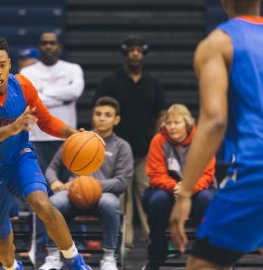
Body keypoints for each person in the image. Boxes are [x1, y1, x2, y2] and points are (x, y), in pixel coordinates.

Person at [0, 36, 92, 270]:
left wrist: (73, 133)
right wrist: (11, 128)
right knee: (3, 244)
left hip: (18, 158)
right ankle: (13, 267)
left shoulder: (22, 85)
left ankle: (75, 262)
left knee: (43, 204)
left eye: (2, 65)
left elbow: (46, 120)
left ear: (10, 63)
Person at [169, 0, 263, 270]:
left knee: (201, 266)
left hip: (254, 172)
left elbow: (214, 120)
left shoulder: (218, 43)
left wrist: (184, 196)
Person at [40, 96, 133, 270]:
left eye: (107, 114)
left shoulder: (122, 146)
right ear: (92, 116)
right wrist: (54, 182)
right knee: (52, 203)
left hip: (102, 195)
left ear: (116, 119)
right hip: (71, 194)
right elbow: (52, 168)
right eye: (98, 114)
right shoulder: (78, 139)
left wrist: (88, 185)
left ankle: (108, 257)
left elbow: (122, 182)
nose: (102, 118)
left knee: (111, 203)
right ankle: (53, 256)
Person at [93, 35, 166, 250]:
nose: (135, 53)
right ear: (125, 54)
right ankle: (123, 242)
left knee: (146, 197)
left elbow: (161, 113)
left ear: (144, 54)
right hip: (117, 152)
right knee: (121, 199)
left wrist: (155, 140)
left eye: (139, 50)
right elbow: (99, 110)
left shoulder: (153, 83)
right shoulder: (111, 81)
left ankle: (154, 240)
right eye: (131, 50)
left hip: (145, 151)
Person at [142, 104, 216, 270]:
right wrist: (176, 187)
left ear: (187, 124)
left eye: (177, 122)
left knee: (207, 199)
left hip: (197, 189)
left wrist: (188, 189)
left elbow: (207, 174)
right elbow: (155, 174)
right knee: (157, 200)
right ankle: (156, 257)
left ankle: (206, 255)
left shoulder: (202, 139)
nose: (172, 127)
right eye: (169, 123)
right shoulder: (158, 141)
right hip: (168, 190)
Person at [20, 32, 84, 174]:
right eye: (44, 43)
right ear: (39, 47)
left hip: (67, 137)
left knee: (64, 186)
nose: (48, 46)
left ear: (59, 47)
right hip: (37, 138)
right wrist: (63, 97)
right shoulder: (27, 72)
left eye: (52, 43)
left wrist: (43, 93)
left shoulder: (73, 69)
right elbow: (31, 101)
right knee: (39, 186)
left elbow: (75, 92)